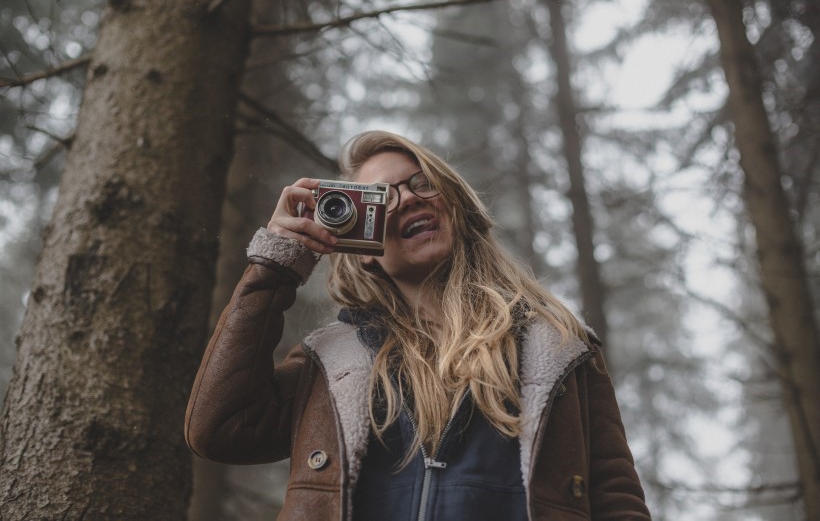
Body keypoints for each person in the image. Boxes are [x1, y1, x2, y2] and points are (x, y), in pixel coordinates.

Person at [184, 131, 651, 520]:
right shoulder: (331, 363)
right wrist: (276, 265)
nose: (407, 199)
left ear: (455, 205)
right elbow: (221, 428)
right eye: (380, 198)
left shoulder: (559, 348)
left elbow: (616, 499)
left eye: (422, 183)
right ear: (362, 249)